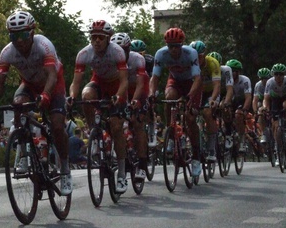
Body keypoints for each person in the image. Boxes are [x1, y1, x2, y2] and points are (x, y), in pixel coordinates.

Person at [0, 10, 73, 195]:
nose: (19, 40)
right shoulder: (7, 52)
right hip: (30, 84)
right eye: (14, 35)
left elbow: (51, 75)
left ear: (32, 32)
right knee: (18, 104)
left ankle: (65, 169)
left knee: (57, 126)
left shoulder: (44, 45)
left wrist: (47, 95)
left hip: (53, 84)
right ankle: (23, 153)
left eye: (23, 34)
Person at [68, 21, 129, 192]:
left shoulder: (117, 52)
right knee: (86, 96)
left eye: (100, 38)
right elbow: (76, 82)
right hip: (99, 83)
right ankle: (94, 131)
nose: (96, 41)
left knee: (116, 127)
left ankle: (122, 173)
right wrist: (72, 96)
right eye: (93, 37)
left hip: (116, 86)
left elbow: (124, 80)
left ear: (108, 39)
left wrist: (118, 95)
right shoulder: (84, 53)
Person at [149, 27, 203, 177]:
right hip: (175, 81)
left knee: (191, 118)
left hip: (191, 83)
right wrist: (152, 93)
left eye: (176, 46)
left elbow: (198, 79)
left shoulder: (190, 53)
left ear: (181, 45)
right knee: (169, 97)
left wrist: (189, 96)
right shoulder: (161, 54)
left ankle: (197, 158)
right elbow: (154, 78)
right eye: (170, 46)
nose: (173, 50)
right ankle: (170, 130)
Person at [111, 31, 150, 179]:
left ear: (128, 49)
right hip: (122, 89)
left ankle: (142, 164)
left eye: (122, 51)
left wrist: (134, 101)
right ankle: (124, 154)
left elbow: (141, 85)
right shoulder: (111, 60)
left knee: (137, 122)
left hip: (138, 89)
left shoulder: (137, 59)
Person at [190, 41, 220, 162]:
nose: (198, 59)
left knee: (208, 112)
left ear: (204, 55)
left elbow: (217, 85)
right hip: (198, 91)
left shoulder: (213, 63)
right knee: (190, 114)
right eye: (195, 56)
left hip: (211, 91)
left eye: (200, 56)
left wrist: (213, 99)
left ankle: (212, 147)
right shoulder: (189, 63)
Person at [262, 63, 286, 161]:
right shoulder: (270, 82)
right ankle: (278, 149)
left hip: (285, 98)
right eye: (276, 74)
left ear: (284, 74)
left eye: (281, 74)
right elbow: (266, 98)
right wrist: (266, 108)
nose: (278, 76)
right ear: (273, 74)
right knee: (276, 126)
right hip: (275, 100)